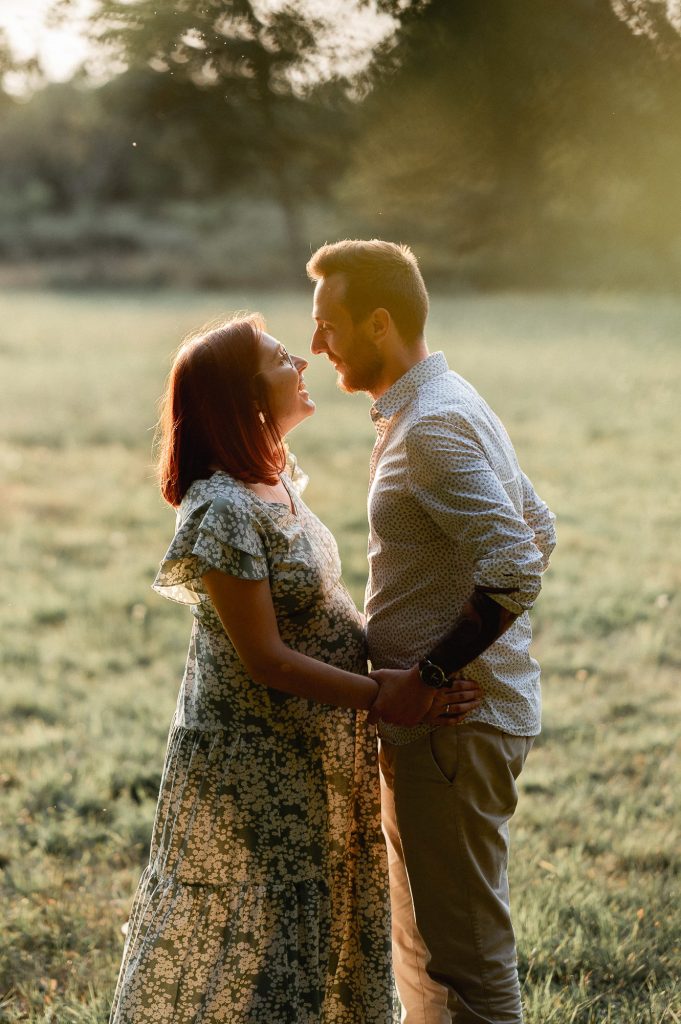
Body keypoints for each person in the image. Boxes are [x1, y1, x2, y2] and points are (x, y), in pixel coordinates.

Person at [109, 314, 481, 1024]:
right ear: (243, 395)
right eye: (283, 358)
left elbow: (324, 617)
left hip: (311, 749)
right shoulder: (220, 506)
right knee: (271, 949)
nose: (303, 364)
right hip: (258, 759)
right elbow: (266, 659)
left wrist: (425, 666)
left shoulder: (272, 484)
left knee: (310, 941)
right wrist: (386, 696)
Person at [307, 241, 557, 1024]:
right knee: (420, 947)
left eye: (327, 325)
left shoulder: (433, 428)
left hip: (452, 726)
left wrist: (431, 678)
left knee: (468, 960)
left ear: (378, 323)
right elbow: (538, 524)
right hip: (432, 728)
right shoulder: (439, 399)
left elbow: (518, 561)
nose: (318, 346)